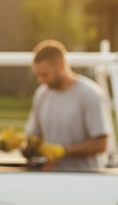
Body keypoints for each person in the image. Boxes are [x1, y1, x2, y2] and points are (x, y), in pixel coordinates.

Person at [25, 40, 112, 171]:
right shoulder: (42, 94)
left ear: (60, 65)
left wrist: (63, 150)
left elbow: (100, 144)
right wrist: (25, 147)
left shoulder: (90, 94)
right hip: (53, 177)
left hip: (86, 178)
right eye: (38, 75)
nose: (41, 80)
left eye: (45, 75)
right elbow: (34, 136)